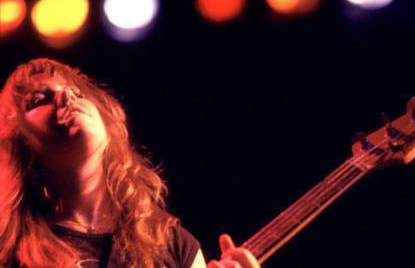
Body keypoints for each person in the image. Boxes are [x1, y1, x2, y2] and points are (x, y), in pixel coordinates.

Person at [0, 58, 260, 268]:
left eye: (75, 91)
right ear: (15, 144)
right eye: (38, 100)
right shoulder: (7, 251)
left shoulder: (172, 245)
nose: (66, 97)